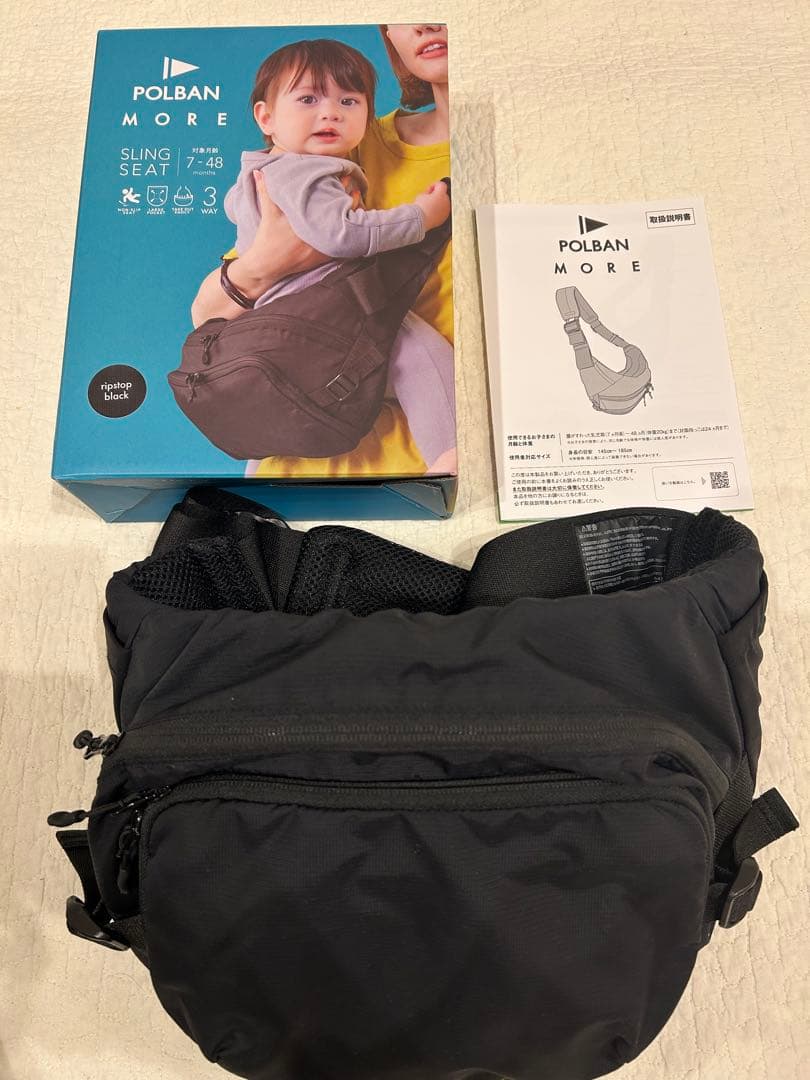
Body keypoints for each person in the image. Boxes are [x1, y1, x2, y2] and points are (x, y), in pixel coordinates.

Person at [190, 24, 455, 477]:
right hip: (330, 321)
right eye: (309, 99)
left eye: (348, 102)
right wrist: (422, 216)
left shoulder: (268, 169)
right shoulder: (319, 163)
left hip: (292, 363)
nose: (330, 113)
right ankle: (448, 455)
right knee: (421, 353)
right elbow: (340, 236)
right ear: (266, 118)